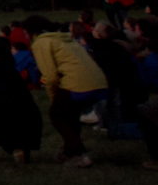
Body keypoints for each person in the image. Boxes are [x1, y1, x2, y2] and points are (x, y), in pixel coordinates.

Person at [26, 15, 107, 167]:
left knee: (57, 115)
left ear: (32, 32)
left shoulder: (41, 43)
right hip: (98, 81)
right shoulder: (65, 39)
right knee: (70, 116)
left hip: (77, 82)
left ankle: (79, 153)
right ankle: (69, 151)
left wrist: (53, 98)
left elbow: (50, 77)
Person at [83, 22, 146, 139]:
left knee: (102, 104)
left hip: (103, 80)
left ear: (97, 34)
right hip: (116, 79)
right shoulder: (116, 46)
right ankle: (117, 124)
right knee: (115, 104)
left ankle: (105, 124)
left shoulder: (93, 47)